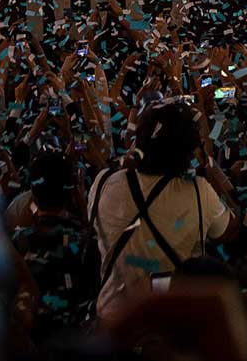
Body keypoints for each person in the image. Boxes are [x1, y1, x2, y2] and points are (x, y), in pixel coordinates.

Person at [85, 97, 235, 320]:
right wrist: (215, 174)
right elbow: (230, 232)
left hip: (113, 323)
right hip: (169, 324)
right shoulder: (198, 191)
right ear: (188, 152)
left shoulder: (104, 182)